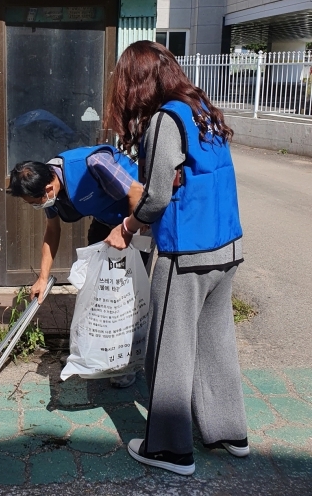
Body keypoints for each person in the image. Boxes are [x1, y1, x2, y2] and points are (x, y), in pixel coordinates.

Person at [104, 41, 247, 476]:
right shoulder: (200, 107)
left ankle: (168, 450)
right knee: (215, 342)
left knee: (170, 350)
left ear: (139, 82)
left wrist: (128, 227)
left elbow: (159, 192)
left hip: (187, 252)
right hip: (227, 246)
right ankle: (229, 433)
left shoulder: (166, 118)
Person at [7, 145, 143, 388]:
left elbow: (136, 192)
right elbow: (52, 231)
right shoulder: (49, 187)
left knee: (124, 298)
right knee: (96, 293)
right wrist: (42, 277)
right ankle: (95, 354)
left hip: (136, 221)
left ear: (49, 188)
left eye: (34, 202)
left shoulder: (94, 164)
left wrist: (128, 232)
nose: (35, 206)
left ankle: (127, 362)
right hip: (105, 223)